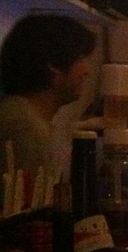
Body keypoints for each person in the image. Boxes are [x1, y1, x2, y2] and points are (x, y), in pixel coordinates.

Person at [0, 15, 96, 179]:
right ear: (54, 65)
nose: (87, 71)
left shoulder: (19, 113)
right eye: (80, 59)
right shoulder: (25, 128)